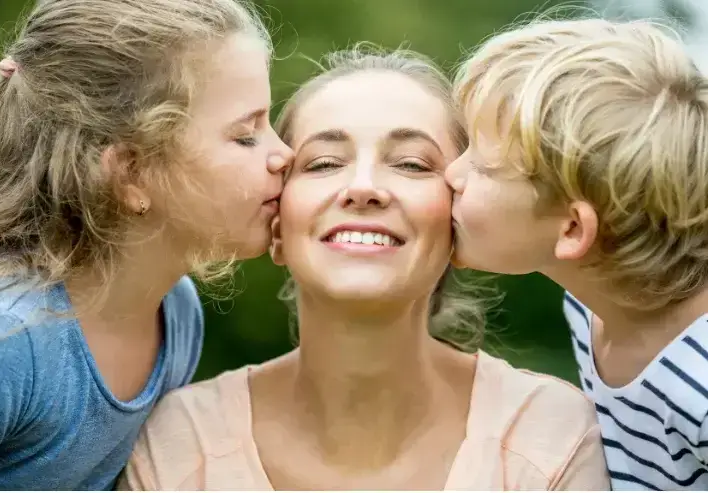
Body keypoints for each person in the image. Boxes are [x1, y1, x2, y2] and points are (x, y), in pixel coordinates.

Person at [119, 45, 609, 491]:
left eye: (413, 164)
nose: (364, 186)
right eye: (324, 163)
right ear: (276, 227)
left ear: (460, 220)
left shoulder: (550, 436)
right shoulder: (179, 443)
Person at [0, 0, 292, 489]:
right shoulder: (1, 340)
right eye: (246, 135)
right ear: (132, 174)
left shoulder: (176, 313)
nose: (284, 155)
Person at [446, 17, 708, 490]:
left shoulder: (700, 377)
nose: (451, 174)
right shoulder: (589, 305)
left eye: (481, 167)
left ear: (571, 229)